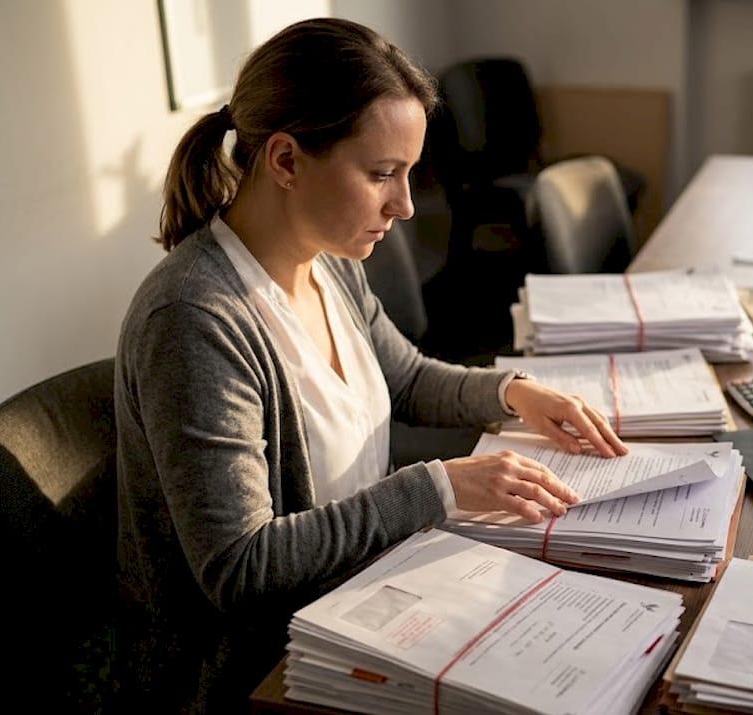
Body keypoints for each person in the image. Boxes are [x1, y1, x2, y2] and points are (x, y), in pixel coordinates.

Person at [113, 17, 627, 713]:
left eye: (409, 174)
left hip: (371, 592)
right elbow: (240, 567)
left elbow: (407, 377)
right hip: (262, 666)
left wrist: (514, 391)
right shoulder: (195, 319)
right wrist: (437, 487)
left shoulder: (328, 260)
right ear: (287, 161)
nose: (406, 206)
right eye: (382, 174)